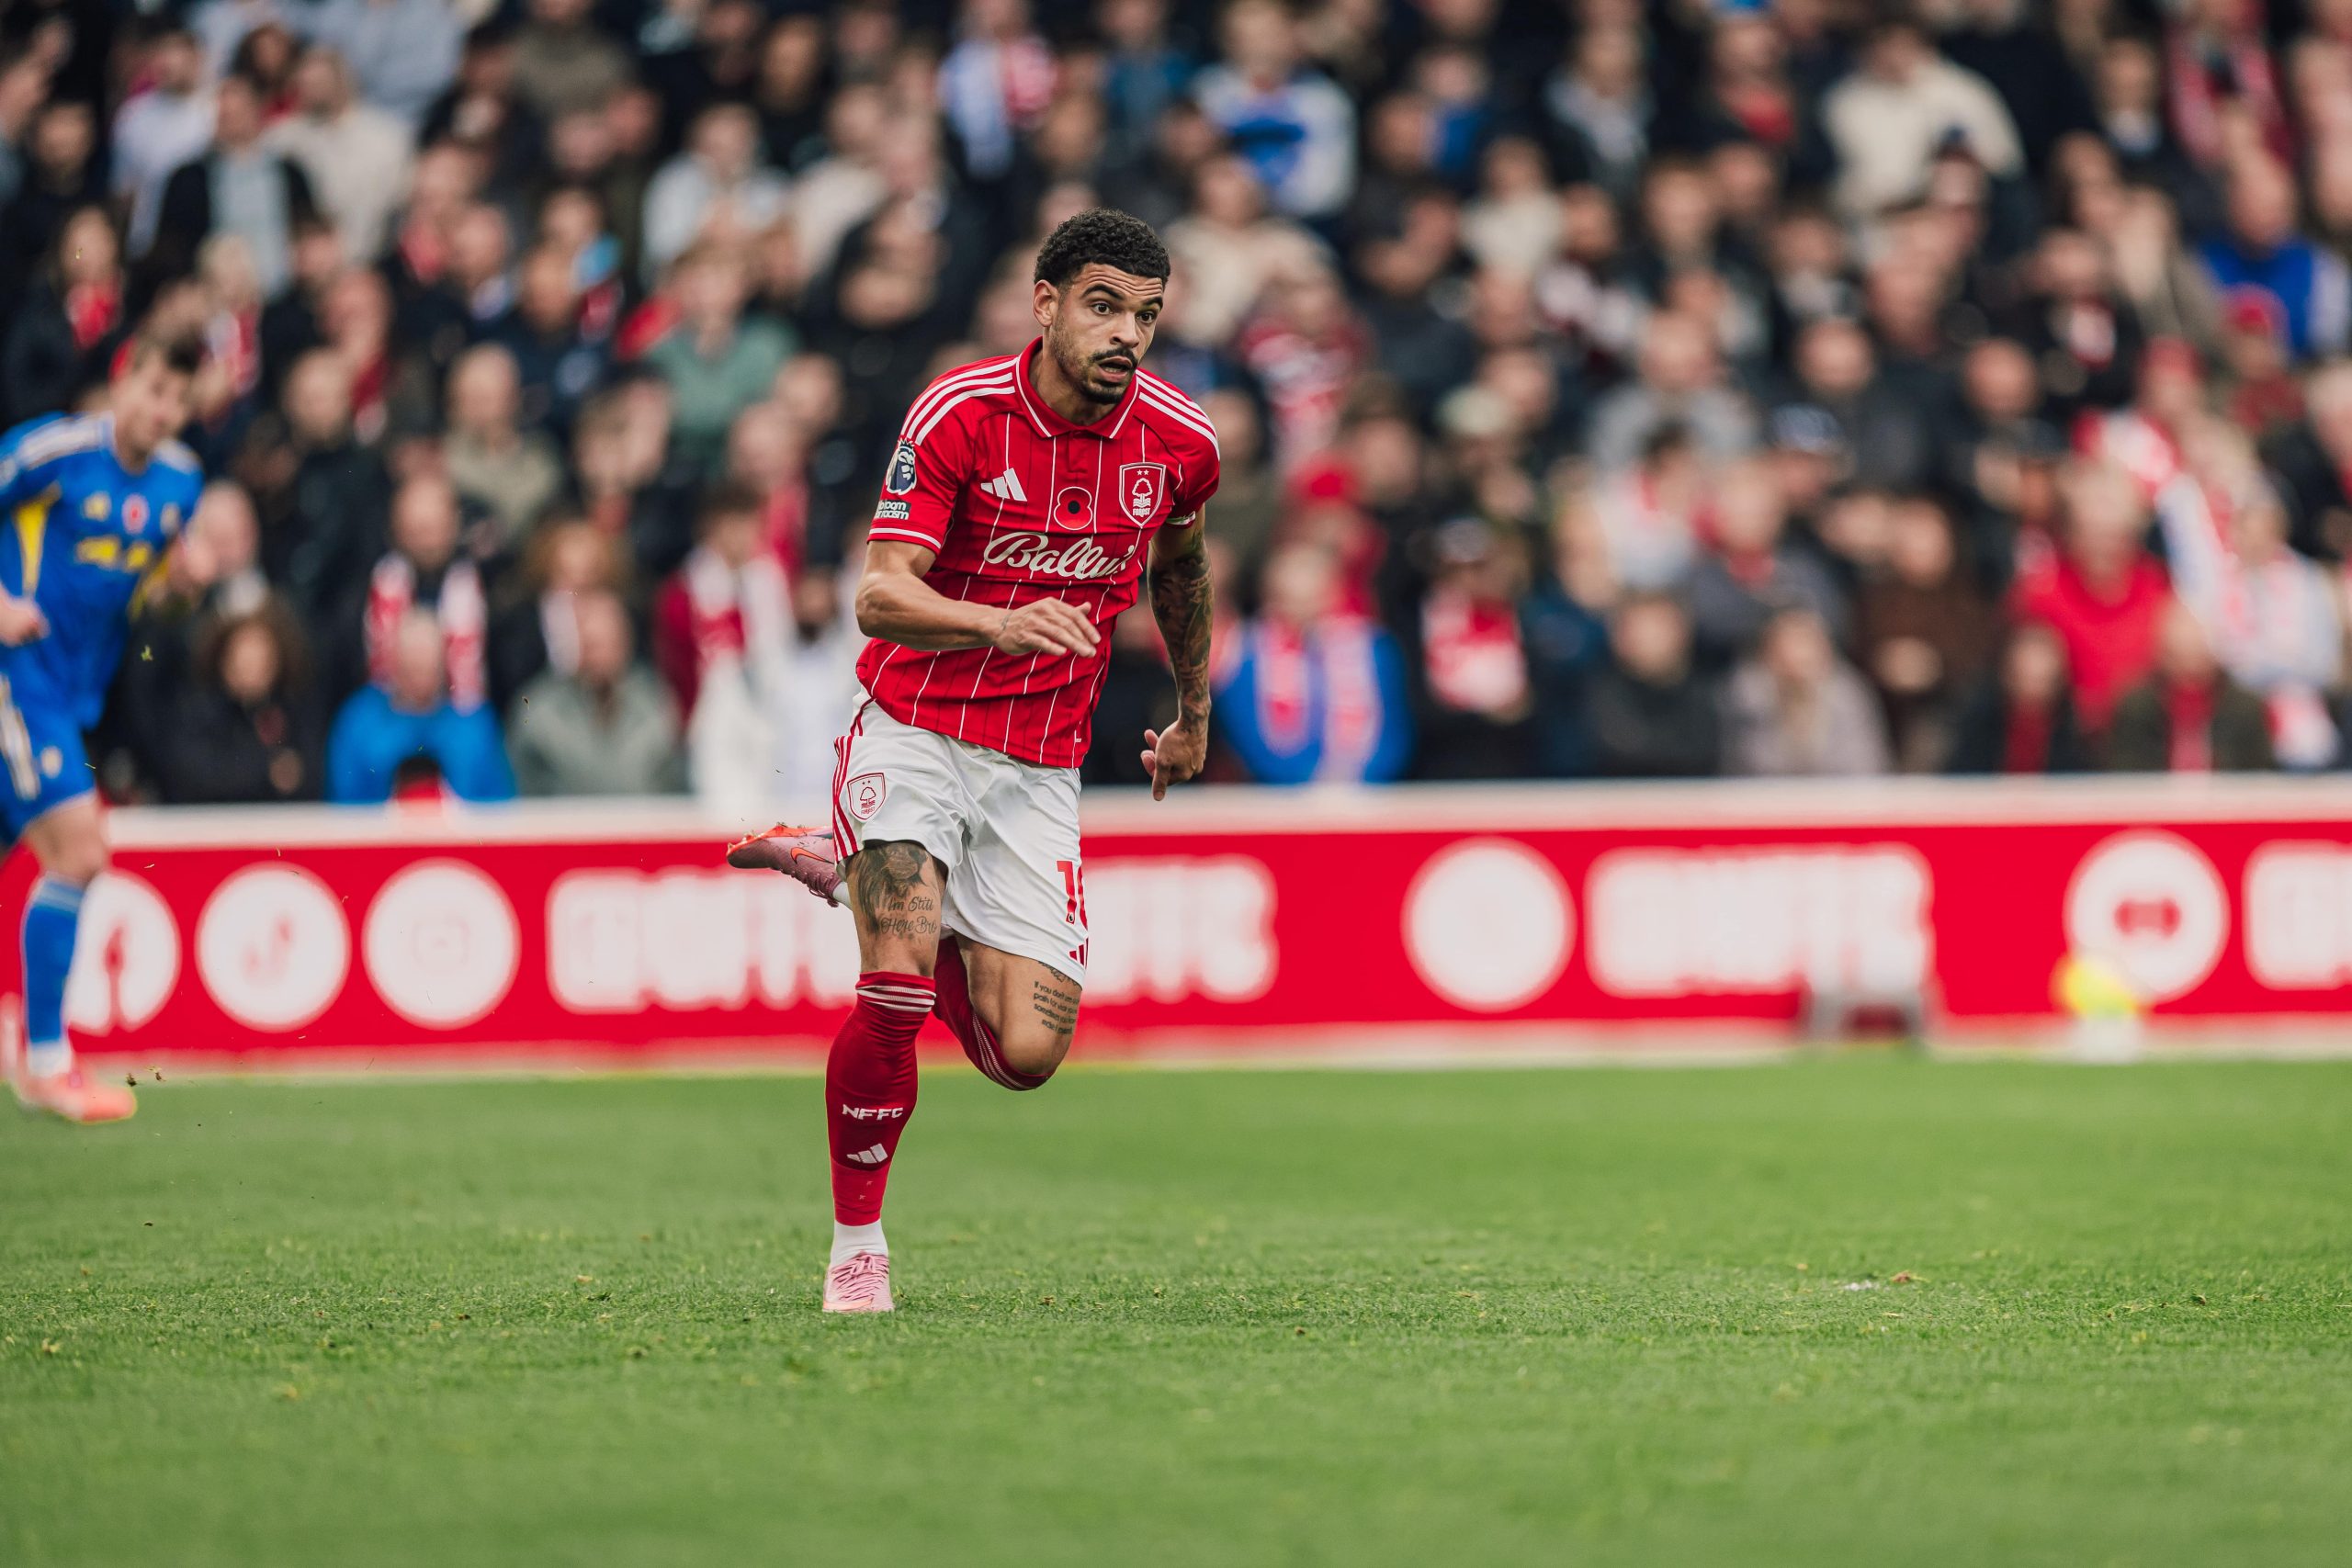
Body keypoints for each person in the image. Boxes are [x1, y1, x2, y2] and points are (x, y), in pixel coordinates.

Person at [725, 209, 1219, 1314]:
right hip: (915, 730)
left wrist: (1192, 711)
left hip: (1039, 766)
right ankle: (859, 1248)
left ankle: (843, 862)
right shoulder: (959, 413)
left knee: (1029, 1053)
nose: (1125, 333)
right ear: (1043, 304)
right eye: (1102, 304)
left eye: (1145, 313)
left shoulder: (1182, 443)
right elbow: (878, 595)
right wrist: (998, 623)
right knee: (893, 990)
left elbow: (1180, 569)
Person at [0, 333, 213, 1123]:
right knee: (82, 854)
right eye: (154, 389)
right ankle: (47, 1064)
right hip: (16, 677)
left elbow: (150, 592)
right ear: (122, 381)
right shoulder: (52, 449)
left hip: (74, 695)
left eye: (179, 400)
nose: (163, 411)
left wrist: (182, 587)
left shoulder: (180, 483)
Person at [325, 606, 515, 801]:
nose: (420, 679)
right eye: (413, 667)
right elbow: (344, 805)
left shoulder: (474, 724)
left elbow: (500, 804)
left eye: (428, 667)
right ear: (395, 661)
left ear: (443, 662)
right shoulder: (359, 723)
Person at [506, 587, 684, 795]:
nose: (600, 657)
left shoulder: (657, 705)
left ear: (626, 643)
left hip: (644, 824)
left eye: (609, 643)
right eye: (591, 645)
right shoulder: (537, 709)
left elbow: (673, 783)